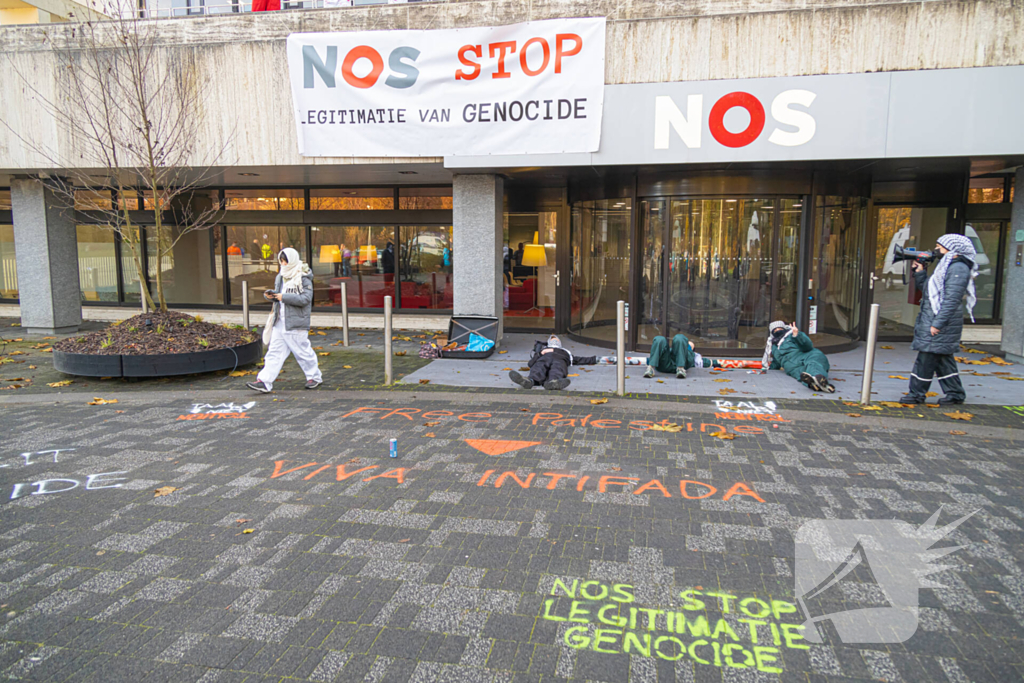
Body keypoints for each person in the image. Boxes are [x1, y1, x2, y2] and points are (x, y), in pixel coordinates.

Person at [899, 234, 978, 405]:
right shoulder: (948, 265)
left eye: (939, 245)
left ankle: (916, 394)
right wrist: (920, 273)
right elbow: (930, 291)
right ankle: (955, 394)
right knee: (943, 360)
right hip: (936, 318)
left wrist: (937, 324)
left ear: (952, 249)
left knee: (925, 360)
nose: (936, 249)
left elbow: (951, 299)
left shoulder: (958, 268)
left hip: (940, 321)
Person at [247, 248, 322, 393]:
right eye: (281, 261)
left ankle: (314, 377)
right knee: (274, 352)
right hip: (279, 321)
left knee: (302, 352)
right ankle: (264, 381)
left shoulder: (303, 276)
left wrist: (283, 297)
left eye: (285, 261)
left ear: (292, 260)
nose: (283, 264)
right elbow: (279, 294)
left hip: (295, 322)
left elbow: (306, 299)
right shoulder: (280, 276)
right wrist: (271, 295)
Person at [762, 321, 834, 392]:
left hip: (804, 355)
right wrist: (768, 368)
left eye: (779, 328)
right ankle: (813, 383)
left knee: (813, 363)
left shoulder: (792, 335)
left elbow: (807, 346)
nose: (777, 331)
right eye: (775, 330)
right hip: (791, 366)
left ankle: (818, 378)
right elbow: (776, 362)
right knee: (802, 374)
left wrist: (797, 335)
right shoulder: (773, 347)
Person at [509, 335, 596, 390]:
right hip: (544, 358)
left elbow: (582, 360)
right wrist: (539, 354)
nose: (555, 341)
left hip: (560, 360)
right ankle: (529, 381)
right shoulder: (543, 350)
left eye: (556, 340)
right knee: (539, 367)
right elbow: (531, 364)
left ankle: (553, 382)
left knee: (558, 368)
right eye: (552, 339)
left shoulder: (566, 352)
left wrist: (605, 359)